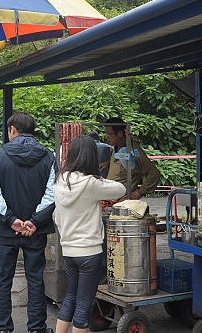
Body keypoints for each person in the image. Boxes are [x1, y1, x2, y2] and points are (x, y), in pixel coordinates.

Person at [0, 112, 56, 333]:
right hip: (36, 231)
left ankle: (3, 327)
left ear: (12, 130)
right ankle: (37, 327)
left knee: (3, 279)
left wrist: (12, 220)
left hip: (7, 232)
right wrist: (34, 222)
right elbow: (53, 193)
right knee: (35, 278)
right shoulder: (48, 157)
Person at [53, 136, 126, 333]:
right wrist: (100, 177)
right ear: (91, 157)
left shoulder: (60, 181)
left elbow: (56, 217)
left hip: (68, 250)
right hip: (89, 252)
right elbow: (121, 189)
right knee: (84, 304)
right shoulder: (91, 183)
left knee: (70, 297)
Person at [103, 117, 161, 200]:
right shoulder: (116, 147)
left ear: (120, 134)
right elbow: (122, 163)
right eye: (106, 134)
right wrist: (108, 164)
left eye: (109, 134)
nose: (107, 137)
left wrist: (140, 192)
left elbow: (154, 174)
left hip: (124, 204)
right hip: (110, 200)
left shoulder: (134, 151)